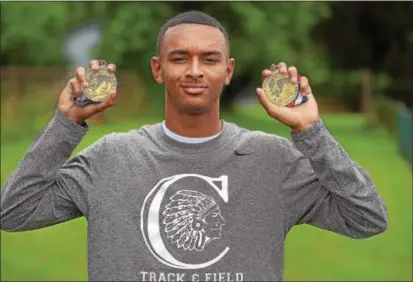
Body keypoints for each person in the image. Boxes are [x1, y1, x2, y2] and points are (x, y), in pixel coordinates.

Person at [1, 10, 388, 282]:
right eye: (180, 58)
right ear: (158, 69)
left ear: (228, 70)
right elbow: (14, 212)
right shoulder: (110, 158)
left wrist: (311, 130)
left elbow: (367, 217)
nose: (195, 70)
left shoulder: (273, 161)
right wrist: (65, 124)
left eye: (210, 58)